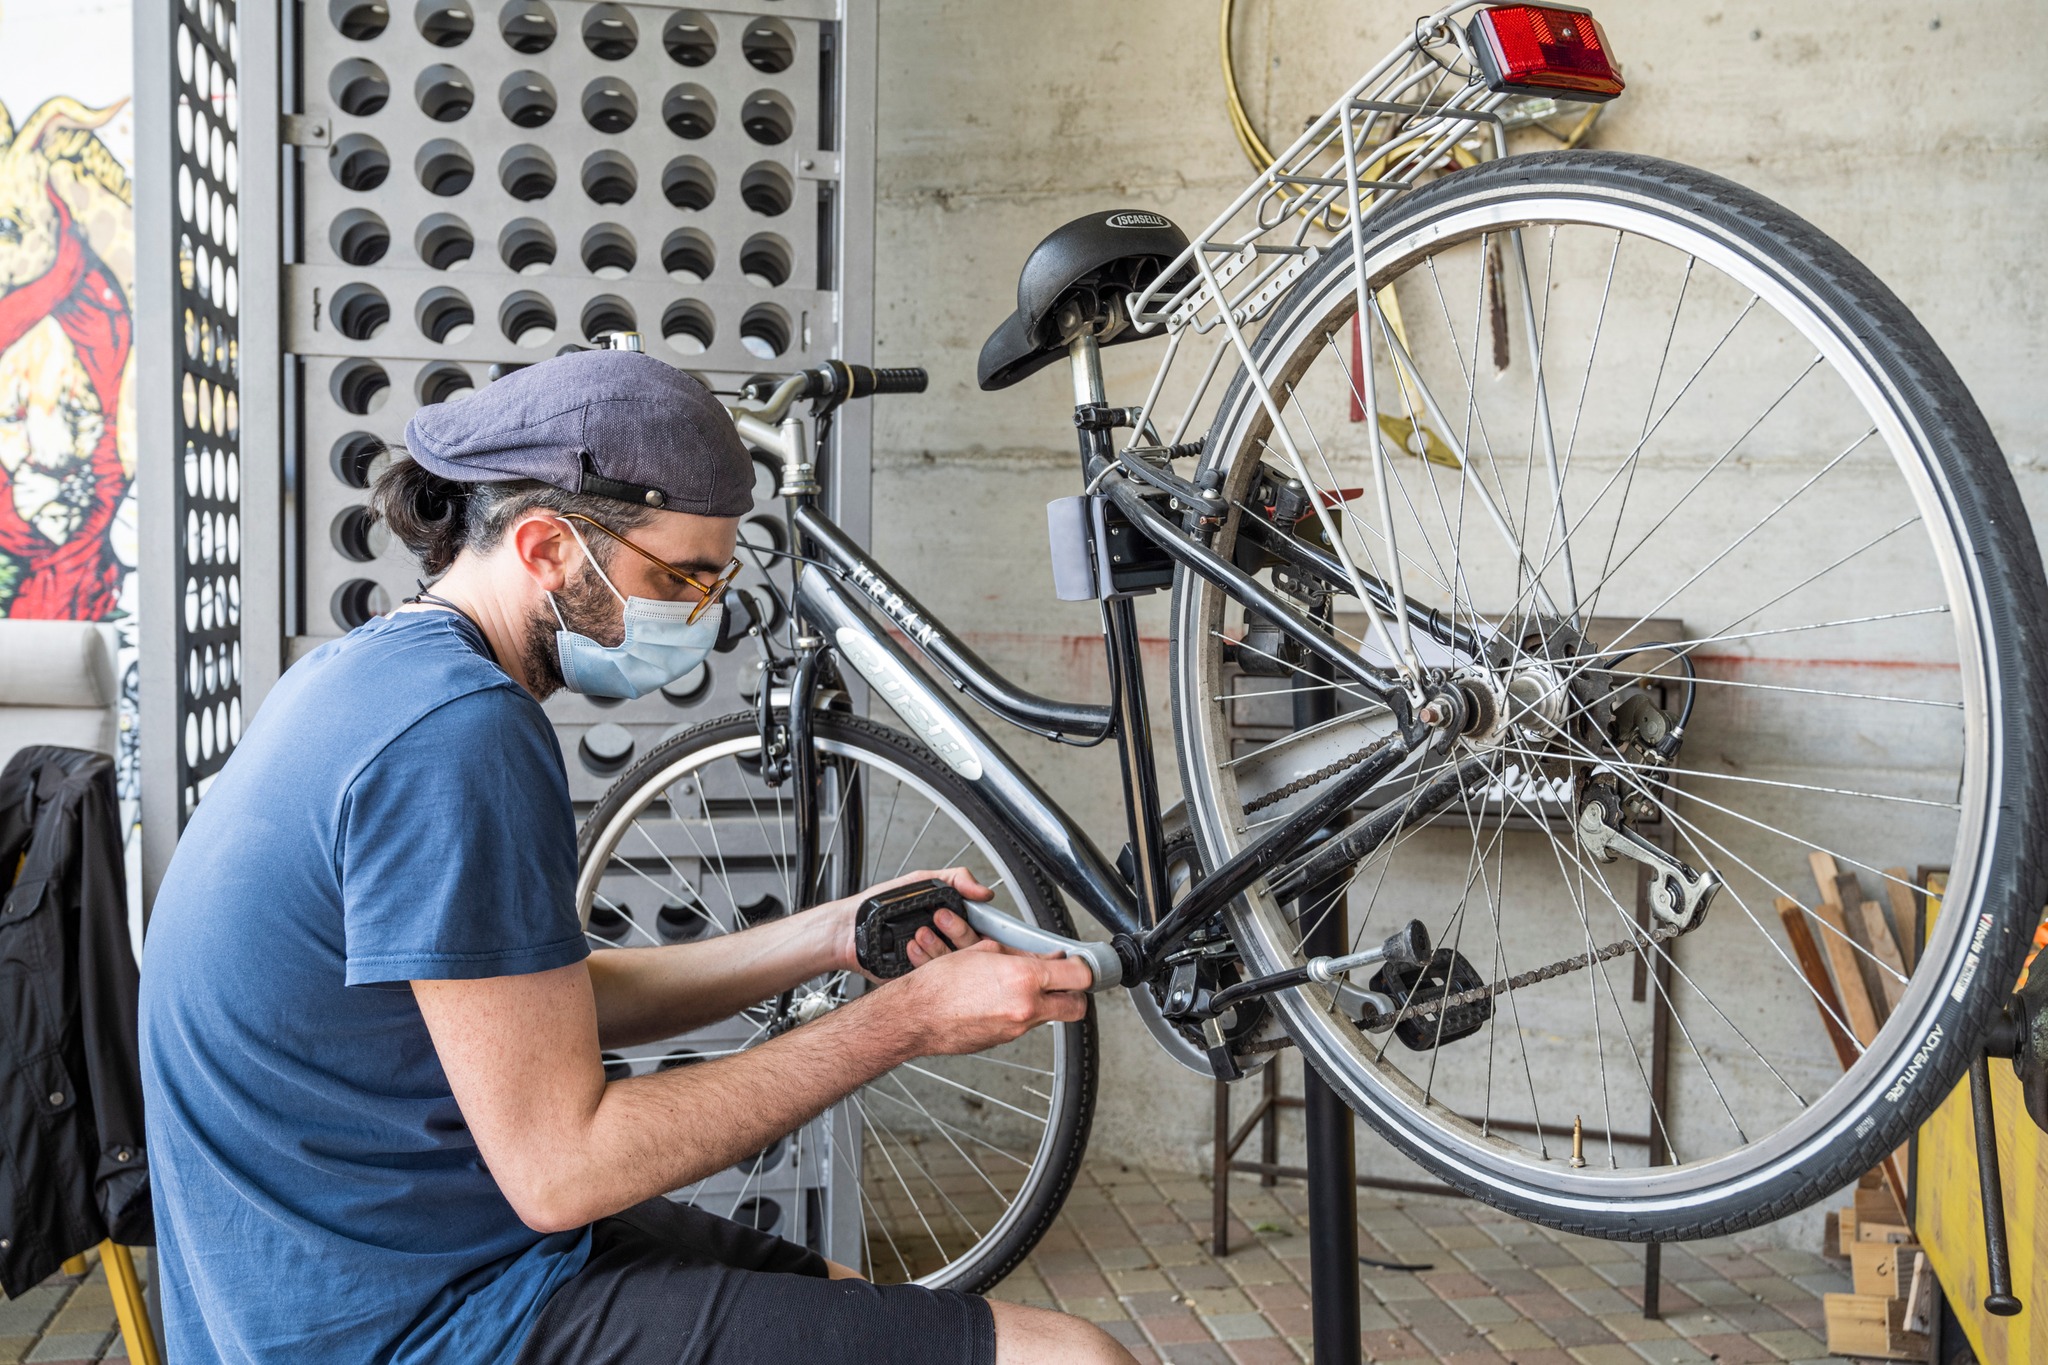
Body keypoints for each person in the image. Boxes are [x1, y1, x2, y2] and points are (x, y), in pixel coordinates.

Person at [139, 349, 1133, 1365]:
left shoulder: (370, 675)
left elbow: (535, 1003)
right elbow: (562, 1169)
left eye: (713, 582)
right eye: (675, 579)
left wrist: (832, 936)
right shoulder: (457, 737)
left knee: (849, 1297)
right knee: (1071, 1358)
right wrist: (908, 1021)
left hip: (403, 1252)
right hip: (405, 1320)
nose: (697, 615)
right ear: (543, 547)